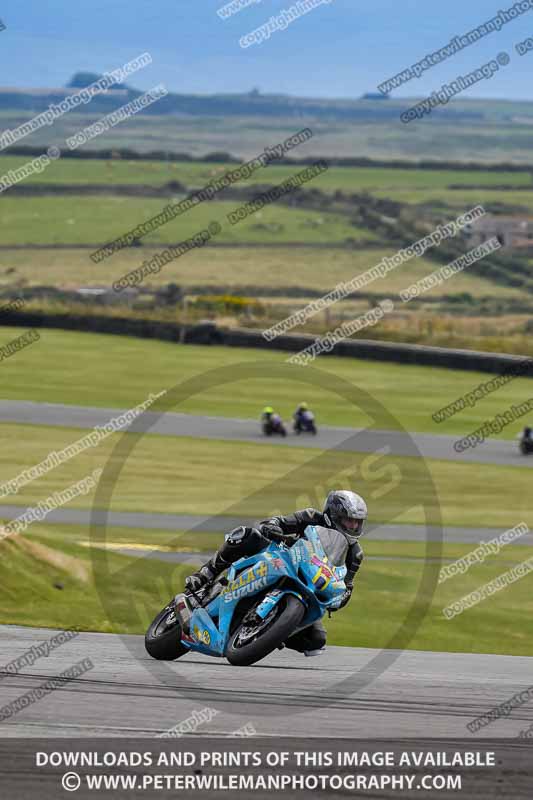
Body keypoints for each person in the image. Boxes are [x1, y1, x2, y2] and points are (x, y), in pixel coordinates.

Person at [184, 490, 368, 657]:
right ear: (333, 515)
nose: (353, 526)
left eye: (357, 522)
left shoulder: (355, 554)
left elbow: (346, 585)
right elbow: (278, 521)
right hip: (280, 559)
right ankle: (206, 574)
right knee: (246, 535)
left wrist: (339, 599)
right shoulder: (311, 516)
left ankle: (271, 629)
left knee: (316, 640)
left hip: (308, 585)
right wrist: (273, 528)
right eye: (349, 520)